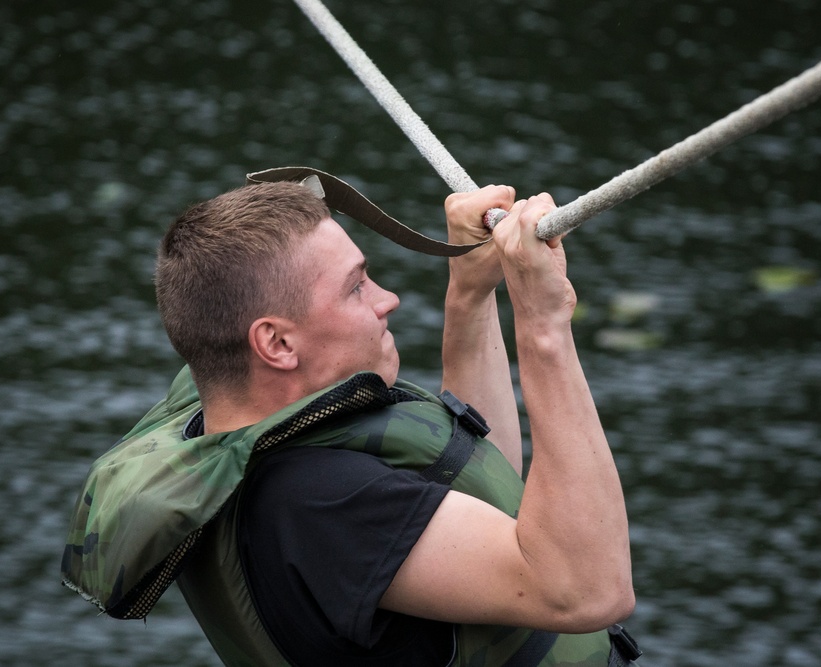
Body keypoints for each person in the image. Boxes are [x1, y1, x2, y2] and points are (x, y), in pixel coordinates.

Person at [62, 171, 639, 666]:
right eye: (356, 286)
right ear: (277, 344)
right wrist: (543, 326)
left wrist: (471, 293)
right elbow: (586, 591)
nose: (387, 298)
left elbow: (482, 489)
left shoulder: (240, 428)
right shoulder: (318, 504)